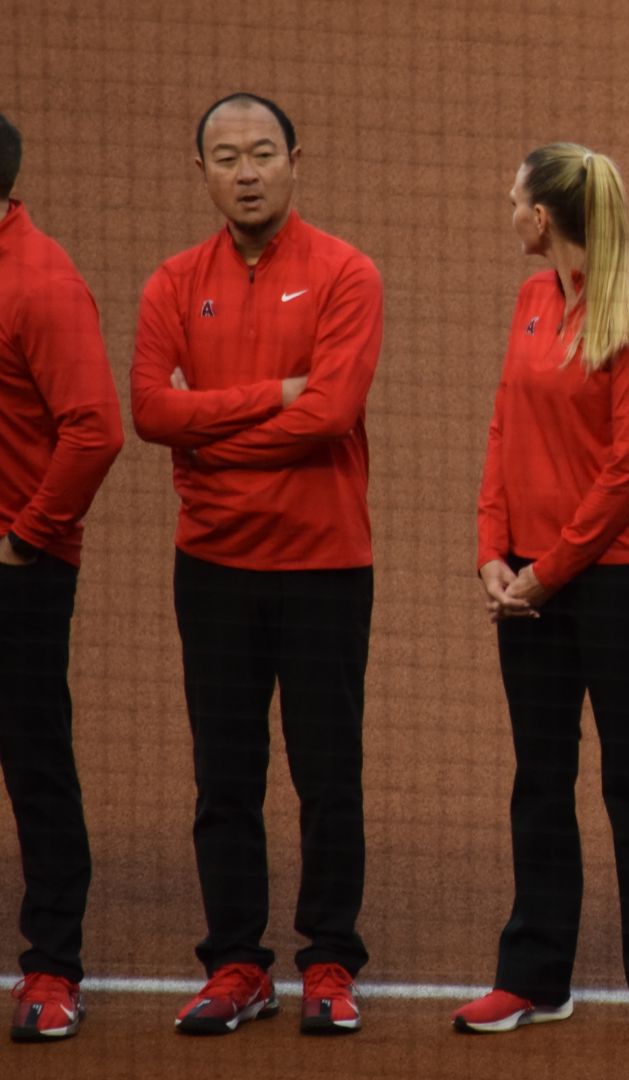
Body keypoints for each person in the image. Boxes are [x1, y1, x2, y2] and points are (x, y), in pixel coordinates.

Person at [129, 92, 381, 1036]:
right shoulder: (169, 283)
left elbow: (332, 413)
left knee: (329, 772)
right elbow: (150, 412)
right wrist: (272, 398)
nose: (246, 172)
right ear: (202, 172)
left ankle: (328, 962)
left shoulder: (347, 274)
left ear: (294, 160)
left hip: (324, 566)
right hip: (215, 569)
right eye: (227, 157)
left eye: (263, 153)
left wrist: (209, 431)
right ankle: (238, 963)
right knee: (224, 774)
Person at [448, 143, 629, 1044]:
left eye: (514, 198)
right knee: (540, 778)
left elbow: (626, 473)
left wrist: (544, 573)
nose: (507, 209)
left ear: (545, 217)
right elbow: (502, 425)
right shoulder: (530, 301)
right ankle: (532, 976)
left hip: (624, 585)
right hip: (528, 579)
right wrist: (491, 546)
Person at [0, 111, 124, 1043]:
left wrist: (26, 536)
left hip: (18, 571)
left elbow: (95, 427)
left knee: (33, 760)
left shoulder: (40, 282)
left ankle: (51, 967)